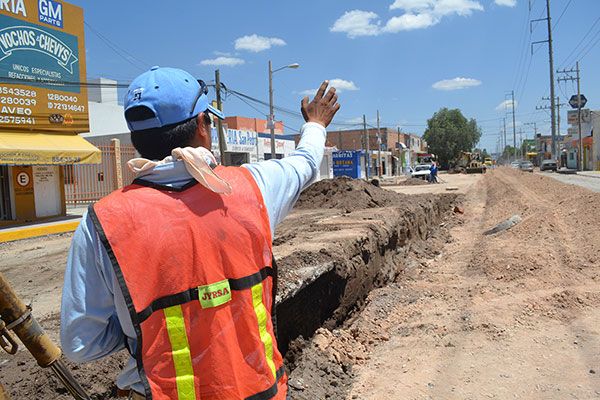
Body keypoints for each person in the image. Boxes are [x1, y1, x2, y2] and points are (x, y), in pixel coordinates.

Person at [60, 66, 340, 400]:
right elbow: (306, 161)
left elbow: (80, 344)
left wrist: (141, 329)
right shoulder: (253, 187)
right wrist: (315, 124)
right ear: (202, 126)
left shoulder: (102, 222)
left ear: (136, 141)